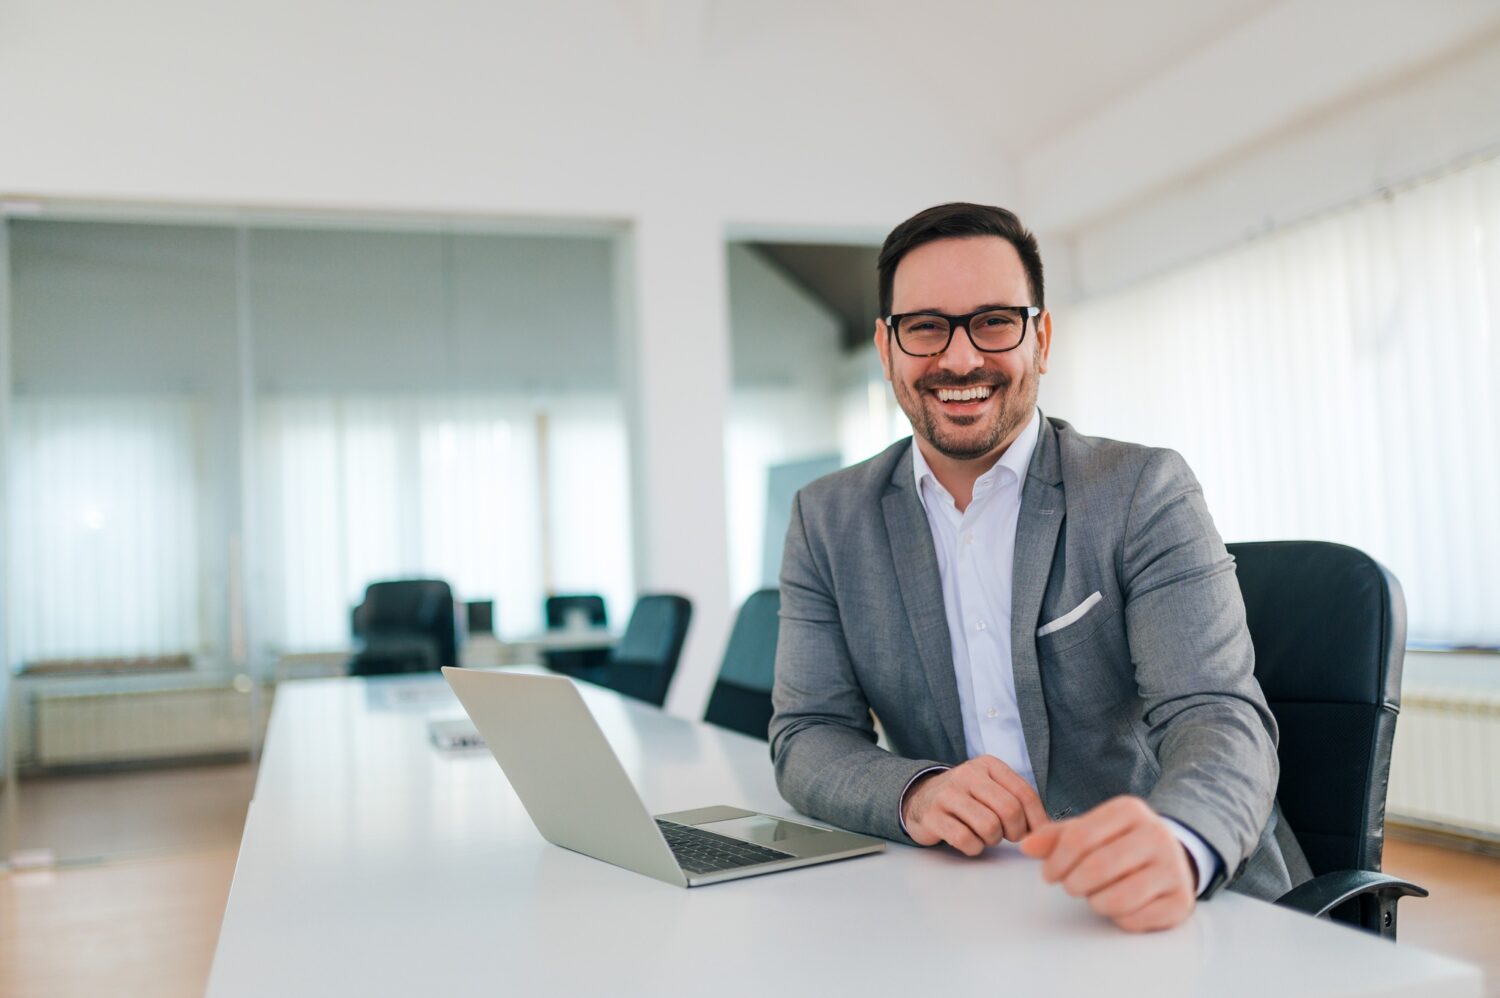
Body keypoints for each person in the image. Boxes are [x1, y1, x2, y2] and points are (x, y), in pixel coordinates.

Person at [768, 202, 1311, 933]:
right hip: (969, 907)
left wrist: (1181, 844)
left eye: (994, 320)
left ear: (1041, 336)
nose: (959, 359)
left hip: (1177, 909)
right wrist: (917, 792)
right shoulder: (827, 519)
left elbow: (1216, 713)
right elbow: (806, 735)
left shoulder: (1141, 491)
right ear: (887, 347)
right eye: (926, 327)